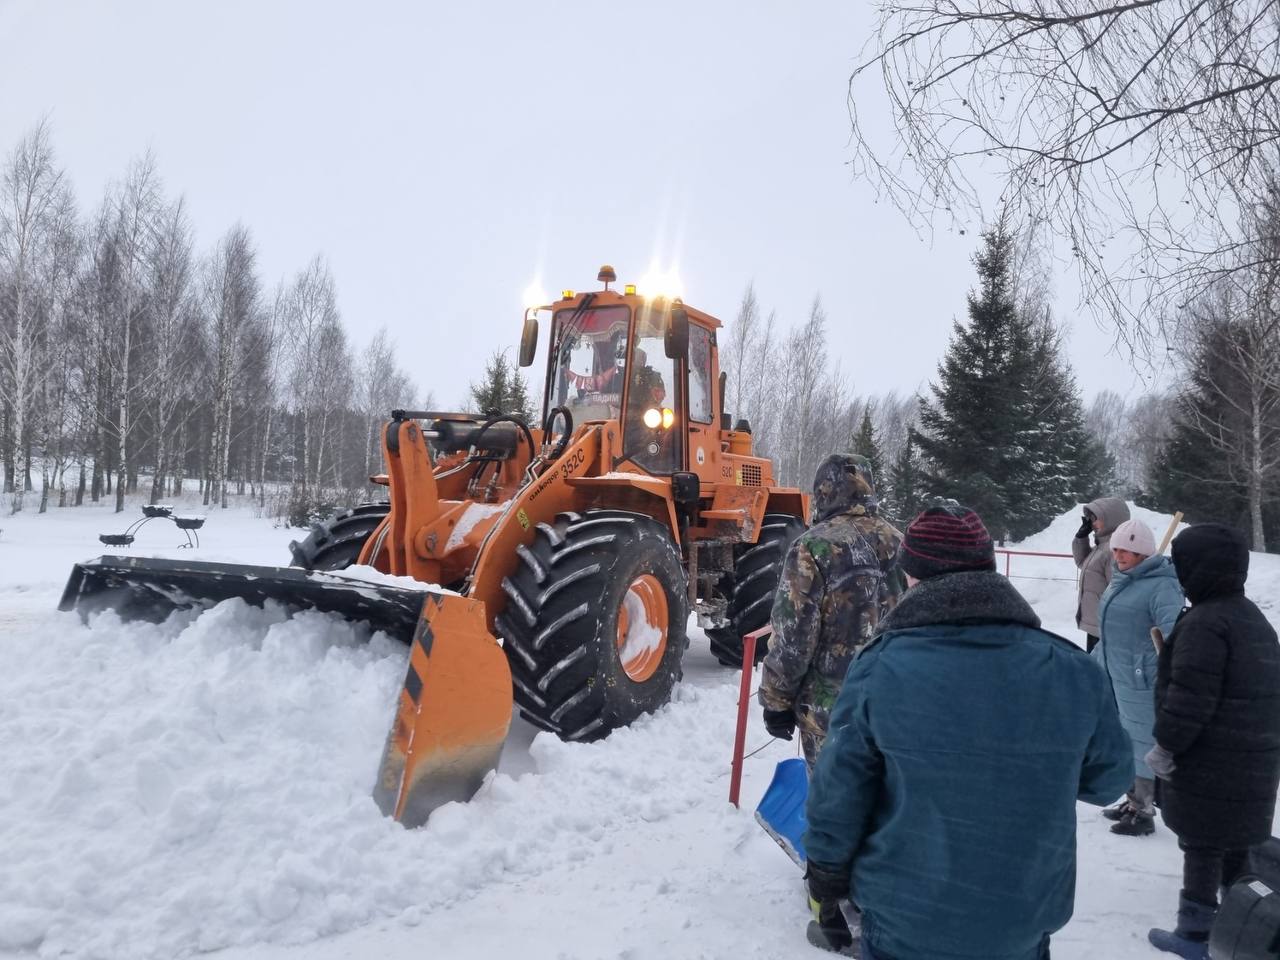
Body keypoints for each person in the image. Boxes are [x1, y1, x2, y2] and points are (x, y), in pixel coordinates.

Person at [803, 504, 1133, 959]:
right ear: (989, 567)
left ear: (913, 577)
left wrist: (825, 875)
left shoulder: (880, 668)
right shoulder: (1072, 670)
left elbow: (839, 792)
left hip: (904, 921)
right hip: (1022, 920)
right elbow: (1109, 782)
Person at [1146, 524, 1280, 959]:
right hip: (1253, 760)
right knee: (1236, 843)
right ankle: (1244, 920)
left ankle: (1195, 933)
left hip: (1211, 762)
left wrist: (1165, 746)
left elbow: (1189, 700)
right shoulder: (1252, 619)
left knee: (1202, 846)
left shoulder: (1205, 623)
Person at [758, 454, 898, 770]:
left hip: (832, 711)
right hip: (895, 705)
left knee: (832, 804)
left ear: (824, 491)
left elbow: (794, 634)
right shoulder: (902, 543)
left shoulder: (813, 547)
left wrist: (777, 701)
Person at [1093, 518, 1185, 836]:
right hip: (1117, 673)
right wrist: (1097, 660)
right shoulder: (1123, 579)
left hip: (1142, 680)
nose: (1119, 555)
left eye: (1127, 551)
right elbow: (1110, 631)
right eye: (1117, 549)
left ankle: (1144, 811)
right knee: (1125, 740)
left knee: (1143, 742)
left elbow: (1172, 635)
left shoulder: (1163, 585)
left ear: (1144, 554)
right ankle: (1132, 800)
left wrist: (1145, 664)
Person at [1073, 496, 1130, 652]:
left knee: (1101, 672)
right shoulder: (1102, 546)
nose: (1092, 523)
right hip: (1096, 624)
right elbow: (1082, 563)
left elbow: (1118, 590)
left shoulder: (1114, 550)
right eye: (1089, 519)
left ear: (1111, 519)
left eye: (1095, 518)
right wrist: (1081, 538)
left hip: (1106, 627)